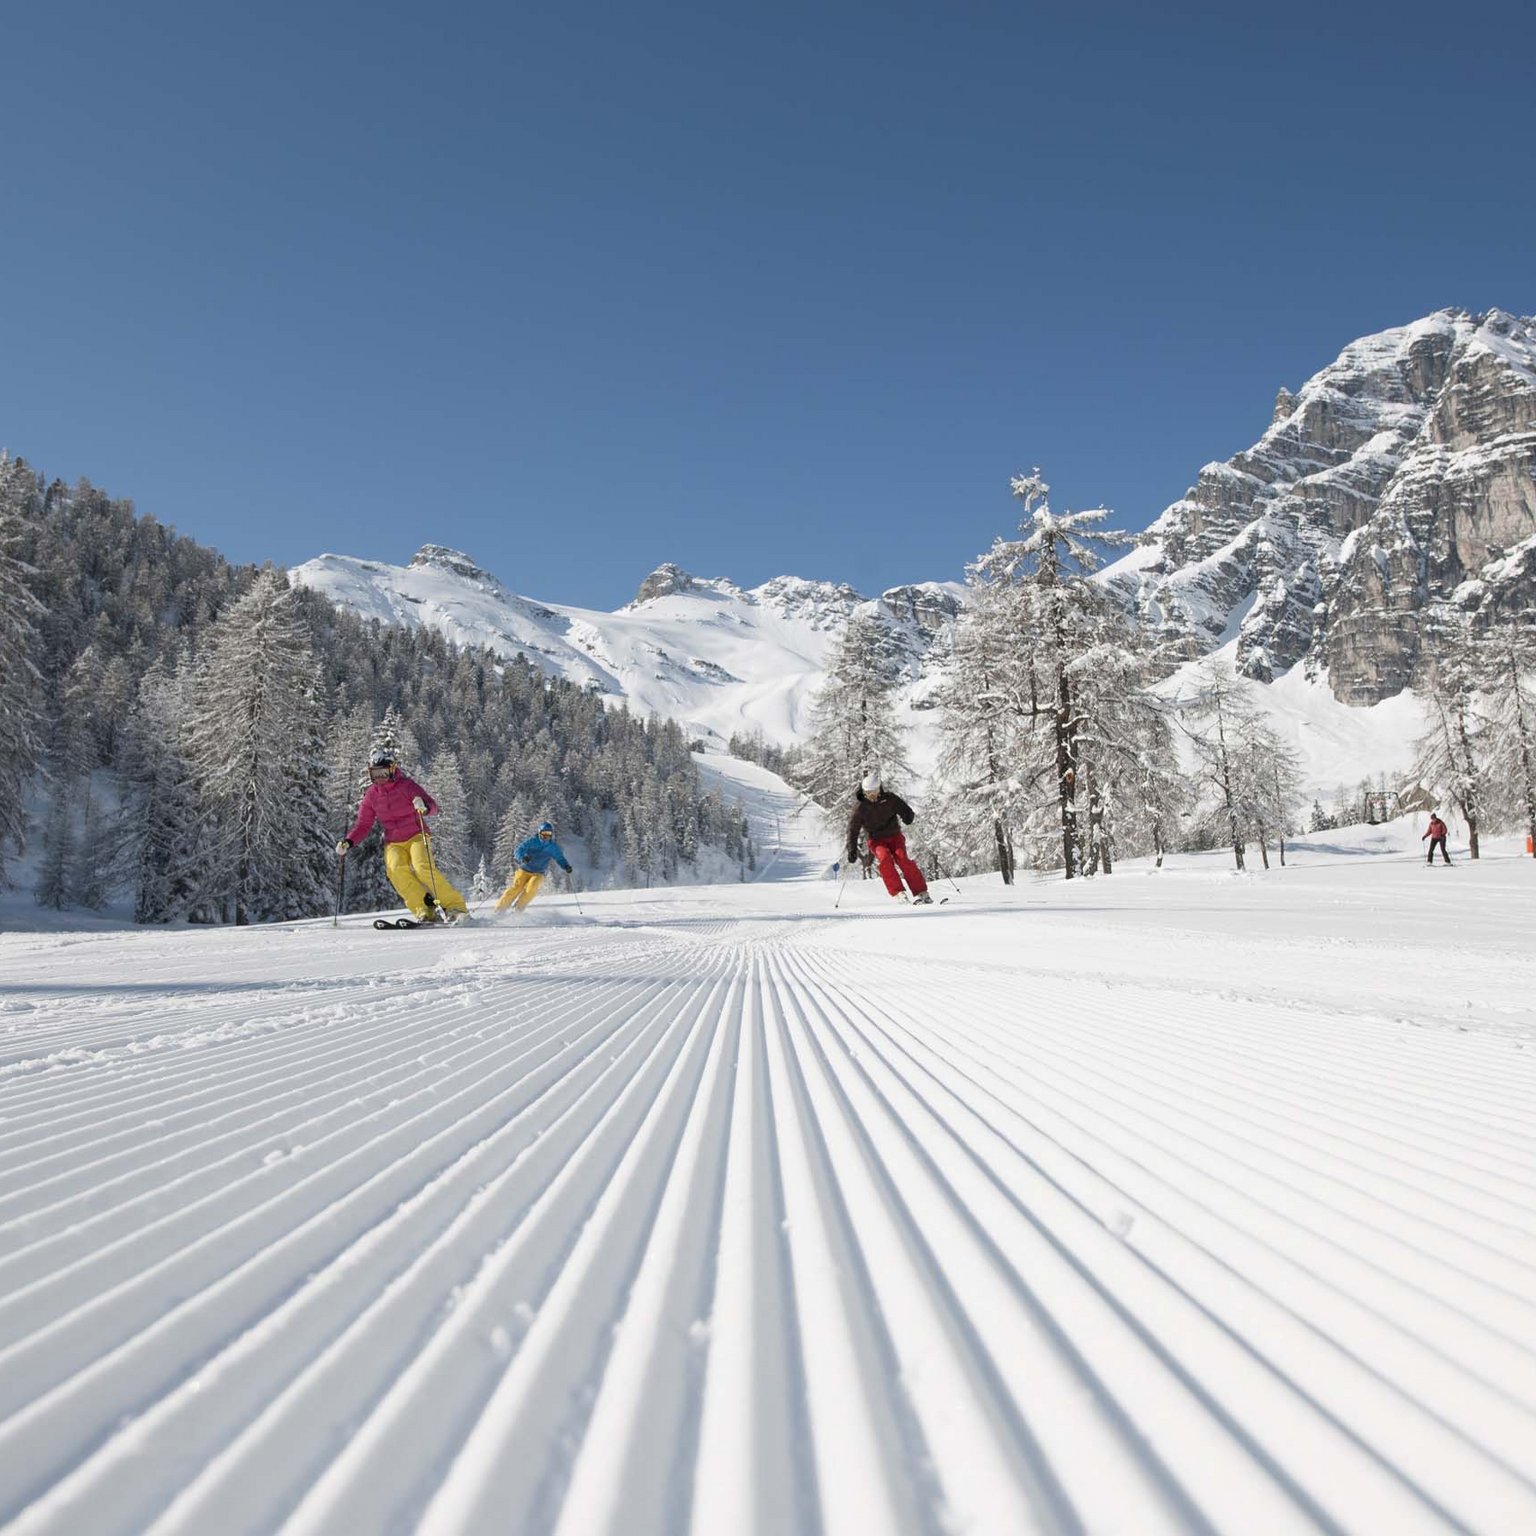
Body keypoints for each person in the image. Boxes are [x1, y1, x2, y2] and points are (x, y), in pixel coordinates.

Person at [336, 751, 469, 922]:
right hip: (393, 841)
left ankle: (455, 907)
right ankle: (425, 909)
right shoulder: (371, 795)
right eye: (375, 774)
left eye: (383, 773)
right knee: (395, 871)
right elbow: (363, 824)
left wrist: (424, 807)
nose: (380, 778)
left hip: (416, 835)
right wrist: (349, 841)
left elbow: (434, 806)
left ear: (392, 769)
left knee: (423, 868)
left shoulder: (406, 786)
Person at [845, 771, 932, 903]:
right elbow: (853, 830)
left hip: (894, 836)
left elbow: (904, 809)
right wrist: (852, 849)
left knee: (903, 859)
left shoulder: (890, 799)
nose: (872, 796)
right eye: (868, 793)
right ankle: (898, 892)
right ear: (864, 793)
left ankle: (921, 892)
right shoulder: (861, 808)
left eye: (874, 792)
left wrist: (908, 816)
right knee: (885, 859)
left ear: (879, 788)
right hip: (876, 840)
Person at [495, 821, 574, 914]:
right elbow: (519, 850)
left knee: (532, 888)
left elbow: (560, 858)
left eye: (549, 834)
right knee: (516, 888)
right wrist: (523, 857)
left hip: (538, 873)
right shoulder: (532, 841)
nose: (546, 837)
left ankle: (518, 908)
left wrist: (566, 866)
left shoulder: (553, 847)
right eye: (544, 834)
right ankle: (500, 909)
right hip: (524, 870)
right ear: (539, 833)